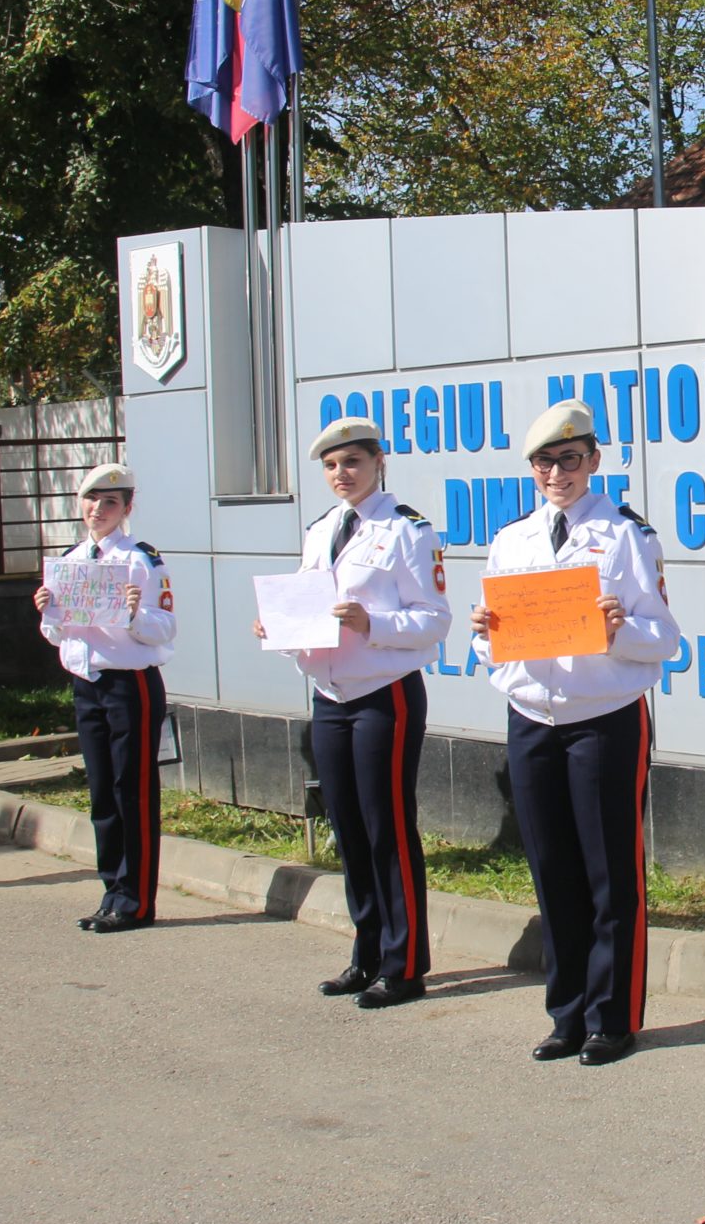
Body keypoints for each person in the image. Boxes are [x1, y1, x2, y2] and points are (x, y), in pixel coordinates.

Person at [471, 401, 681, 1066]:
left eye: (569, 459)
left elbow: (664, 638)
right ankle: (565, 1014)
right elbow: (494, 648)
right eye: (544, 462)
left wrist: (619, 629)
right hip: (532, 718)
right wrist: (485, 634)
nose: (556, 473)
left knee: (608, 873)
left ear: (593, 460)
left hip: (604, 719)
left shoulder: (627, 536)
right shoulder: (512, 540)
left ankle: (611, 1018)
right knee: (552, 870)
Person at [255, 417, 449, 1007]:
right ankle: (366, 954)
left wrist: (373, 623)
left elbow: (434, 620)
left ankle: (404, 964)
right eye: (331, 465)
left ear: (378, 463)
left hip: (383, 692)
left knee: (386, 826)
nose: (342, 474)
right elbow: (307, 605)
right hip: (330, 695)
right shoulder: (321, 530)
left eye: (353, 462)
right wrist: (277, 627)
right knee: (348, 828)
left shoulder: (407, 530)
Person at [34, 462, 176, 932]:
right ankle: (112, 891)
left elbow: (166, 627)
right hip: (87, 684)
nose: (98, 509)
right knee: (101, 793)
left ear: (127, 508)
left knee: (130, 791)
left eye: (110, 502)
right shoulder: (71, 560)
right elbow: (60, 636)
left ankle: (135, 901)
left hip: (128, 684)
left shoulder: (140, 560)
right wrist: (48, 612)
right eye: (92, 500)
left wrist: (135, 614)